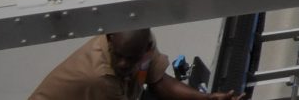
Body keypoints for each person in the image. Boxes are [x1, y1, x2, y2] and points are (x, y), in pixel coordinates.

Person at [27, 29, 245, 100]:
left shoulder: (144, 46)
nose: (123, 64)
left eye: (131, 59)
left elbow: (158, 82)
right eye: (119, 56)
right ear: (110, 41)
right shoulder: (99, 78)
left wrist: (205, 99)